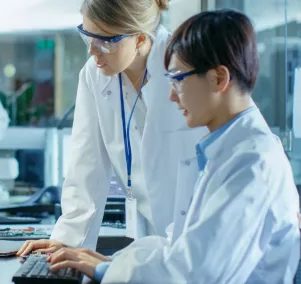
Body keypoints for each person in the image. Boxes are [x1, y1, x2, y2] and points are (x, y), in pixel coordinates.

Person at [42, 9, 301, 283]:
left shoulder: (251, 163)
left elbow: (197, 271)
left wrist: (107, 269)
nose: (170, 95)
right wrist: (109, 262)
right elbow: (182, 242)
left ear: (218, 79)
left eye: (177, 79)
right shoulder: (229, 152)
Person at [18, 0, 206, 256]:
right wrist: (67, 243)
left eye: (104, 41)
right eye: (87, 37)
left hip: (201, 235)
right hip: (154, 240)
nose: (92, 52)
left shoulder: (190, 64)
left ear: (139, 39)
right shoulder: (93, 76)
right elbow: (86, 166)